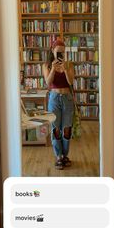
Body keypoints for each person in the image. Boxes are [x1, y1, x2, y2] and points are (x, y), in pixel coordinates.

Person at [42, 38, 74, 170]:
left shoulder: (69, 64)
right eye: (58, 52)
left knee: (67, 128)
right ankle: (58, 156)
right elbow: (48, 83)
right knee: (55, 129)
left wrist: (65, 69)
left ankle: (65, 155)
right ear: (52, 51)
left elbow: (71, 82)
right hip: (54, 98)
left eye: (63, 52)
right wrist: (54, 69)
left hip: (67, 98)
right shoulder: (47, 65)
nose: (61, 54)